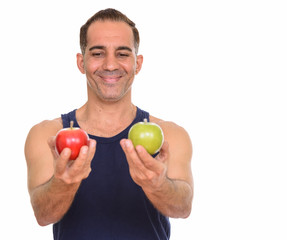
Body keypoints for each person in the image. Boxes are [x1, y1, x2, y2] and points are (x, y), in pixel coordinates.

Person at [25, 8, 193, 240]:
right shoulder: (48, 135)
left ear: (138, 63)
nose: (110, 65)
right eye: (97, 53)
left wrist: (158, 185)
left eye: (123, 54)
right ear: (81, 62)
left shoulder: (169, 136)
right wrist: (63, 183)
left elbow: (183, 208)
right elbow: (42, 215)